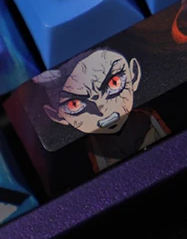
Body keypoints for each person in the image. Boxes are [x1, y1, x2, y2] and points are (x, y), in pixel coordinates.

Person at [35, 48, 169, 173]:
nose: (102, 110)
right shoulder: (81, 157)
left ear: (133, 75)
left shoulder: (156, 114)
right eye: (74, 104)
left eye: (114, 83)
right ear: (56, 116)